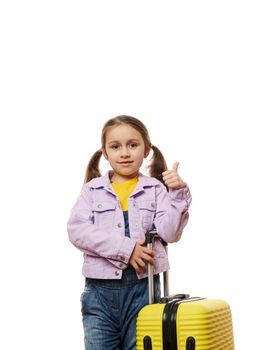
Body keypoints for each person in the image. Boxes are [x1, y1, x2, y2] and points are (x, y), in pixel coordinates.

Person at [67, 115, 192, 350]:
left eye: (132, 145)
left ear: (146, 150)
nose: (124, 153)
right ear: (105, 153)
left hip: (144, 290)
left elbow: (170, 233)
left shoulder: (156, 189)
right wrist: (127, 248)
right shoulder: (92, 190)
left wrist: (177, 193)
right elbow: (77, 230)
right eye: (116, 147)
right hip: (99, 292)